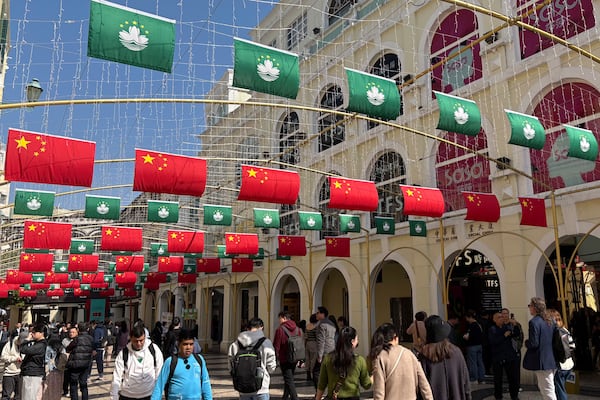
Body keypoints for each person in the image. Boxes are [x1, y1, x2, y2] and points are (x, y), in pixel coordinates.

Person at [369, 323, 433, 400]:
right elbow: (424, 385)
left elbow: (379, 393)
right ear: (395, 338)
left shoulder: (380, 357)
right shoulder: (409, 354)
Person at [151, 328, 212, 400]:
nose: (188, 347)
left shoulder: (199, 360)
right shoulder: (171, 362)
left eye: (191, 344)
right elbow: (159, 386)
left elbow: (206, 383)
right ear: (178, 344)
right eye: (185, 344)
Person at [419, 315, 471, 400]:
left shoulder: (424, 355)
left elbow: (421, 384)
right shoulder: (456, 352)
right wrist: (468, 396)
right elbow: (465, 380)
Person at [315, 326, 371, 400]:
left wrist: (318, 398)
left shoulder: (328, 359)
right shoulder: (359, 361)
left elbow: (321, 384)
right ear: (352, 341)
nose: (358, 341)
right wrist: (375, 375)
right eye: (357, 339)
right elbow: (366, 385)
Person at [111, 322, 164, 400]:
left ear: (145, 337)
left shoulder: (154, 349)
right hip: (127, 395)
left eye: (141, 340)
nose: (139, 344)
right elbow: (116, 376)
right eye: (136, 341)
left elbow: (159, 372)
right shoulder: (123, 353)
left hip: (149, 394)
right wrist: (114, 396)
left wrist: (158, 394)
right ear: (131, 338)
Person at [227, 317, 276, 399]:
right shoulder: (266, 343)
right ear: (261, 327)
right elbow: (271, 367)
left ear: (247, 328)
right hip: (261, 388)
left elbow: (230, 366)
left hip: (243, 388)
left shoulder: (235, 344)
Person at [523, 297, 557, 400]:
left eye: (530, 305)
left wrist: (526, 343)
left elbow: (534, 343)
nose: (529, 308)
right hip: (551, 359)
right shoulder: (551, 320)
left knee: (547, 390)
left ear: (535, 307)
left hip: (542, 361)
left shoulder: (534, 322)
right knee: (548, 388)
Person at [488, 312, 520, 400]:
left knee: (512, 378)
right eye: (499, 317)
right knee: (498, 379)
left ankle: (514, 396)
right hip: (498, 358)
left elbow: (516, 334)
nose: (502, 318)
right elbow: (493, 342)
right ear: (494, 320)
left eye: (502, 317)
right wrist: (504, 336)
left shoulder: (507, 327)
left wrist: (515, 324)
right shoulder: (492, 329)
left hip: (509, 357)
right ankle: (498, 396)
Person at [273, 311, 301, 400]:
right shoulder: (297, 329)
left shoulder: (280, 330)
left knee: (289, 380)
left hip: (284, 358)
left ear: (284, 318)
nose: (279, 320)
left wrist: (275, 357)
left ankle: (294, 397)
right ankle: (285, 397)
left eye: (279, 318)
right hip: (295, 357)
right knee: (289, 378)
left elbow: (276, 345)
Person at [548, 309, 574, 400]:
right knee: (561, 388)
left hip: (560, 366)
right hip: (569, 364)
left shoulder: (555, 332)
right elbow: (572, 346)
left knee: (560, 391)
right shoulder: (565, 329)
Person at [65, 323, 94, 400]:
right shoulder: (91, 338)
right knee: (83, 383)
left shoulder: (77, 339)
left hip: (75, 364)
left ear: (78, 330)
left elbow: (68, 348)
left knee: (73, 384)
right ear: (87, 329)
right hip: (86, 364)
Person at [20, 322, 48, 400]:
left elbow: (23, 349)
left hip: (33, 373)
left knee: (29, 396)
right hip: (31, 372)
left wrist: (27, 339)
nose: (32, 334)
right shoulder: (37, 343)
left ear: (41, 333)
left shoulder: (40, 345)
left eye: (34, 332)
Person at [1, 331, 28, 400]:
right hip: (9, 373)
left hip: (20, 373)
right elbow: (3, 357)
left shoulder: (27, 345)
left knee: (18, 396)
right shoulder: (9, 344)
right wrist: (14, 358)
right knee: (6, 395)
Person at [314, 306, 336, 388]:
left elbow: (321, 341)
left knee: (316, 372)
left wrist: (319, 355)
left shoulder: (321, 325)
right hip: (332, 349)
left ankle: (319, 391)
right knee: (330, 372)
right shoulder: (331, 323)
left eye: (318, 313)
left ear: (322, 314)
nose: (316, 314)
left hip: (324, 351)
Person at [463, 310, 485, 385]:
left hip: (472, 346)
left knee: (472, 363)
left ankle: (473, 378)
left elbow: (469, 336)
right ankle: (481, 378)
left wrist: (465, 336)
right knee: (480, 362)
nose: (466, 320)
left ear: (469, 317)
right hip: (479, 345)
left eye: (466, 318)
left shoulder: (472, 325)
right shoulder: (479, 325)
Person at [304, 314, 318, 382]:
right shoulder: (316, 326)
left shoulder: (307, 326)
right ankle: (313, 373)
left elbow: (305, 337)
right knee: (313, 359)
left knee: (308, 359)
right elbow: (317, 337)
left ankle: (308, 374)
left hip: (308, 343)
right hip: (314, 344)